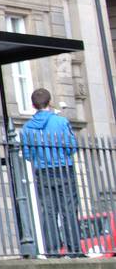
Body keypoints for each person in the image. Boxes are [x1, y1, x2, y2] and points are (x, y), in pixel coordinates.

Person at [20, 87, 83, 258]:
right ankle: (74, 249)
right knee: (69, 210)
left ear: (33, 105)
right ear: (49, 101)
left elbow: (27, 155)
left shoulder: (26, 129)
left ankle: (52, 251)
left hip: (43, 172)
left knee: (48, 212)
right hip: (64, 170)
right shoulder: (61, 122)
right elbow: (72, 148)